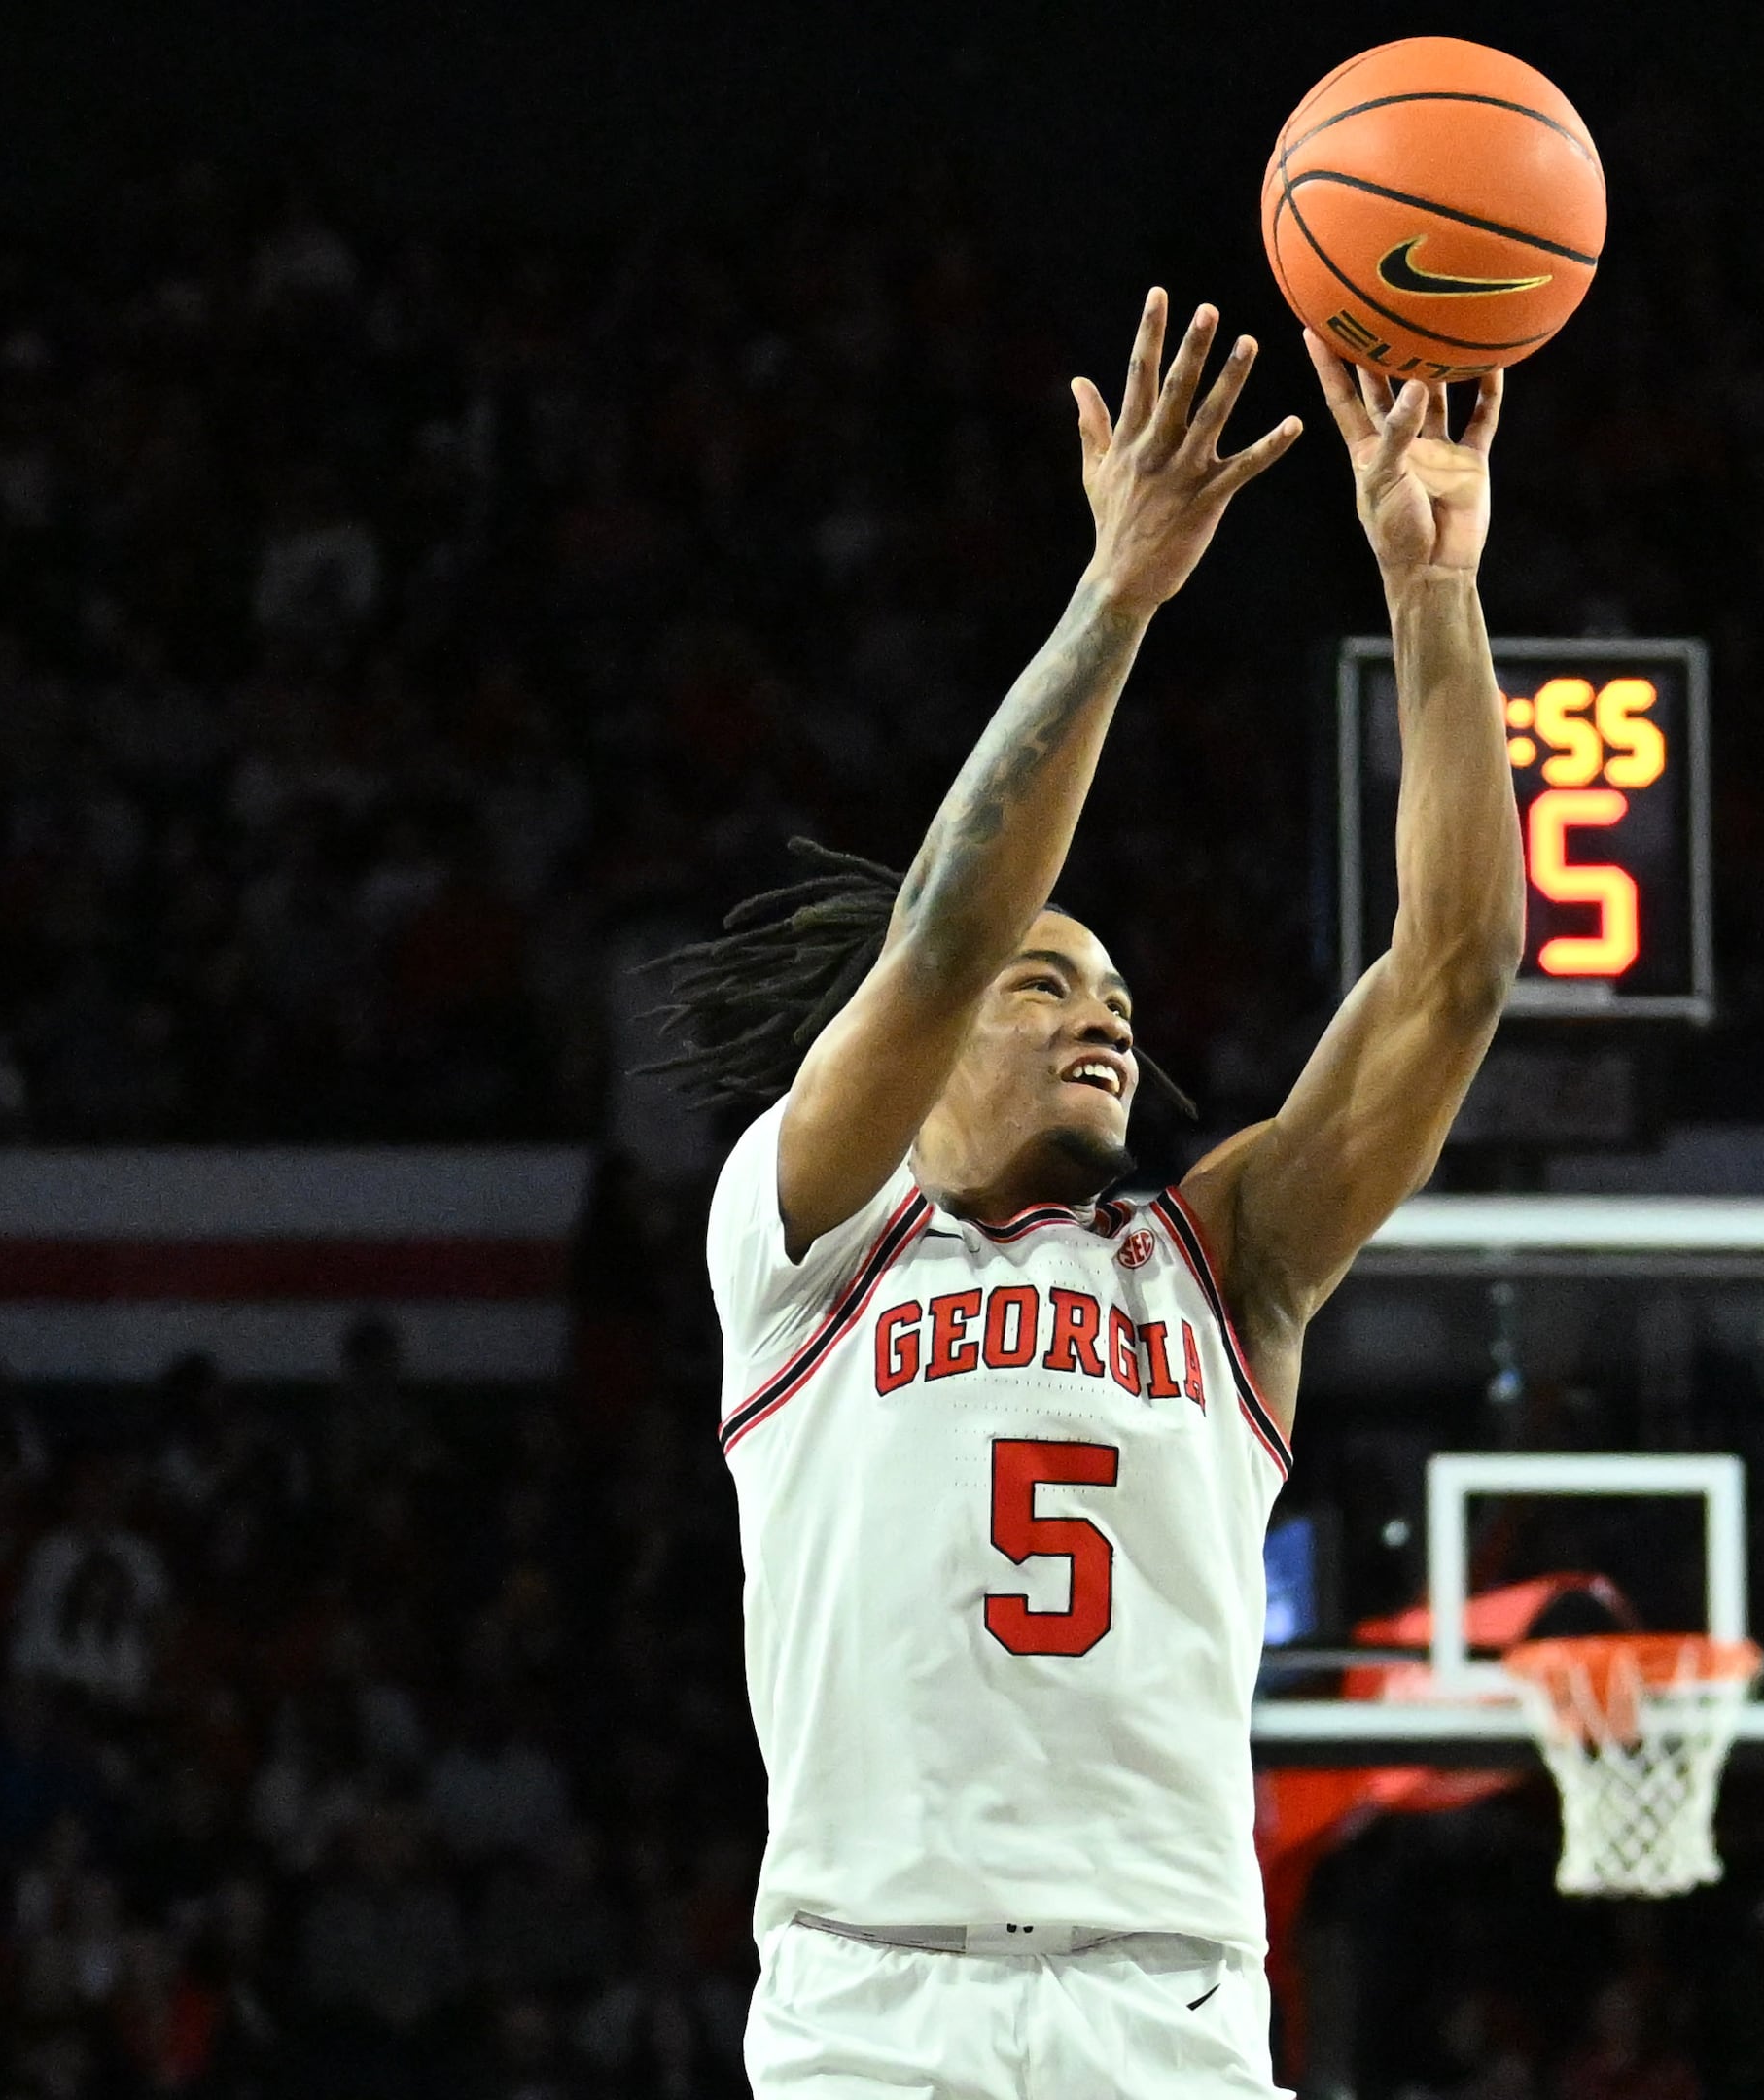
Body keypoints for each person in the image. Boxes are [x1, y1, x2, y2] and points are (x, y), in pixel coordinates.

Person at [650, 294, 1525, 2099]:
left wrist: (1434, 594)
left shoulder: (1223, 1264)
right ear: (917, 1039)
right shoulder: (808, 1235)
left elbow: (1452, 973)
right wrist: (1120, 589)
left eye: (1118, 991)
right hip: (869, 2005)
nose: (1102, 1009)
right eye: (1048, 985)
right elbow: (953, 916)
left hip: (1171, 2004)